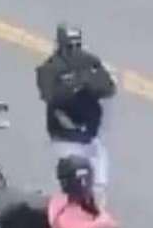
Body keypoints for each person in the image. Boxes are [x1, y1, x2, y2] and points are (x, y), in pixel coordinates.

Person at [35, 23, 116, 193]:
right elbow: (51, 96)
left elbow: (108, 88)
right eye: (69, 46)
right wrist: (76, 85)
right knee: (70, 181)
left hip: (90, 134)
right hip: (65, 136)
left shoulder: (90, 62)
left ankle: (96, 206)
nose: (74, 50)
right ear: (60, 46)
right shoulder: (49, 69)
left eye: (77, 45)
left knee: (98, 181)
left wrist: (87, 81)